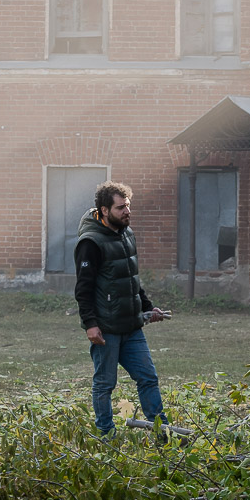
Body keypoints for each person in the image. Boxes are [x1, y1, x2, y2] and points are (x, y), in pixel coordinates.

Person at [74, 180, 171, 436]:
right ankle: (106, 435)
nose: (127, 211)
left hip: (132, 326)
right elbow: (83, 290)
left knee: (148, 378)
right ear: (104, 210)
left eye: (128, 206)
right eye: (120, 208)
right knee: (105, 384)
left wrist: (149, 309)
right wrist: (91, 325)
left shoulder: (127, 234)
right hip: (106, 329)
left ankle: (163, 433)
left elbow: (131, 280)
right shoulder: (90, 243)